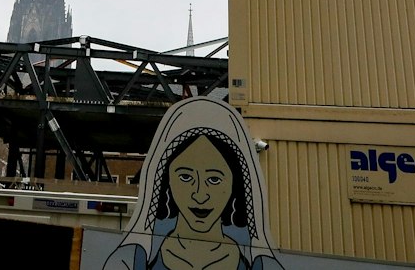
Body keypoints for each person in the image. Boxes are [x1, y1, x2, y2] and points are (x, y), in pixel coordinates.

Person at [105, 97, 285, 270]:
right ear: (165, 180)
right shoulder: (128, 261)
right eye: (185, 177)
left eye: (214, 179)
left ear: (235, 184)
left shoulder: (263, 266)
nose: (199, 194)